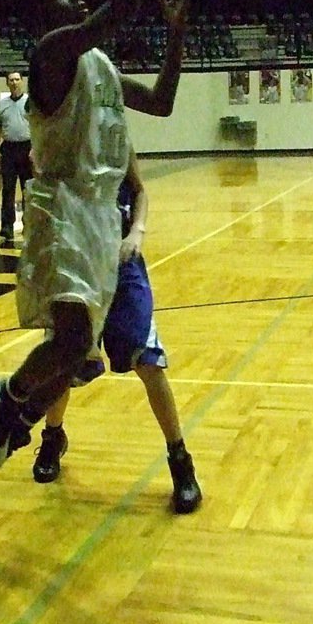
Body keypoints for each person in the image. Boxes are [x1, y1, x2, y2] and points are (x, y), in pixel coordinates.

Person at [0, 0, 190, 491]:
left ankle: (15, 412)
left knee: (75, 350)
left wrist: (177, 37)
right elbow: (120, 8)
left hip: (99, 216)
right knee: (70, 342)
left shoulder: (101, 68)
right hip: (61, 208)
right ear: (46, 17)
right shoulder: (51, 53)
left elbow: (162, 103)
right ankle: (9, 403)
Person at [32, 146, 202, 513]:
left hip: (123, 267)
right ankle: (52, 437)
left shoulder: (117, 141)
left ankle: (180, 460)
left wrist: (137, 231)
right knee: (62, 366)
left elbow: (139, 190)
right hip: (79, 271)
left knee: (150, 363)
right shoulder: (60, 145)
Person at [0, 71, 33, 240]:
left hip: (27, 148)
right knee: (8, 189)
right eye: (11, 80)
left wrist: (36, 148)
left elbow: (38, 126)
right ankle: (7, 226)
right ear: (7, 83)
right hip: (8, 149)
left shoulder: (30, 102)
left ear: (22, 82)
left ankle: (29, 225)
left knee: (28, 190)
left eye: (17, 79)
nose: (14, 82)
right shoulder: (2, 104)